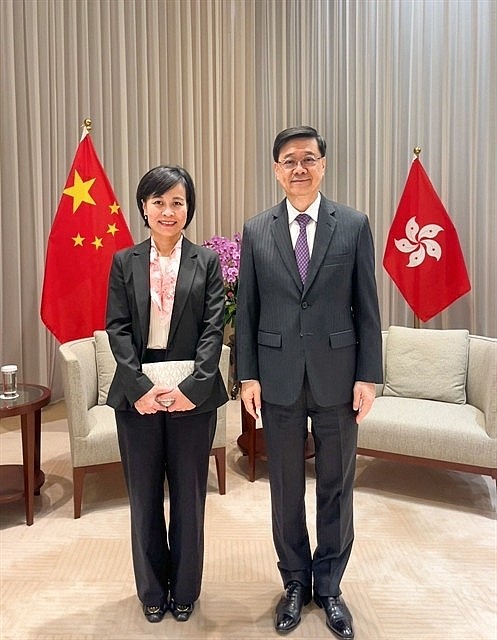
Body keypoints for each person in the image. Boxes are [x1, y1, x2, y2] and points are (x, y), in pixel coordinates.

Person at [235, 126, 382, 639]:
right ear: (276, 169)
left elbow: (368, 306)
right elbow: (247, 309)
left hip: (339, 378)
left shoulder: (354, 225)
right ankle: (295, 582)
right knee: (285, 490)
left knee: (338, 486)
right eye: (289, 160)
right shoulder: (256, 230)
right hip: (276, 377)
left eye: (309, 159)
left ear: (323, 165)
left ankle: (331, 585)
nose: (299, 168)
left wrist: (369, 375)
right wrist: (246, 374)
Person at [105, 165, 228, 624]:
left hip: (192, 395)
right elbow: (116, 328)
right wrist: (138, 386)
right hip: (137, 396)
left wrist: (192, 388)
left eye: (177, 202)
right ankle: (152, 589)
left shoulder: (208, 262)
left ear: (189, 208)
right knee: (143, 496)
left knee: (189, 494)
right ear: (143, 207)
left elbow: (214, 330)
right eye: (159, 202)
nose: (168, 211)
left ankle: (186, 590)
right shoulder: (124, 261)